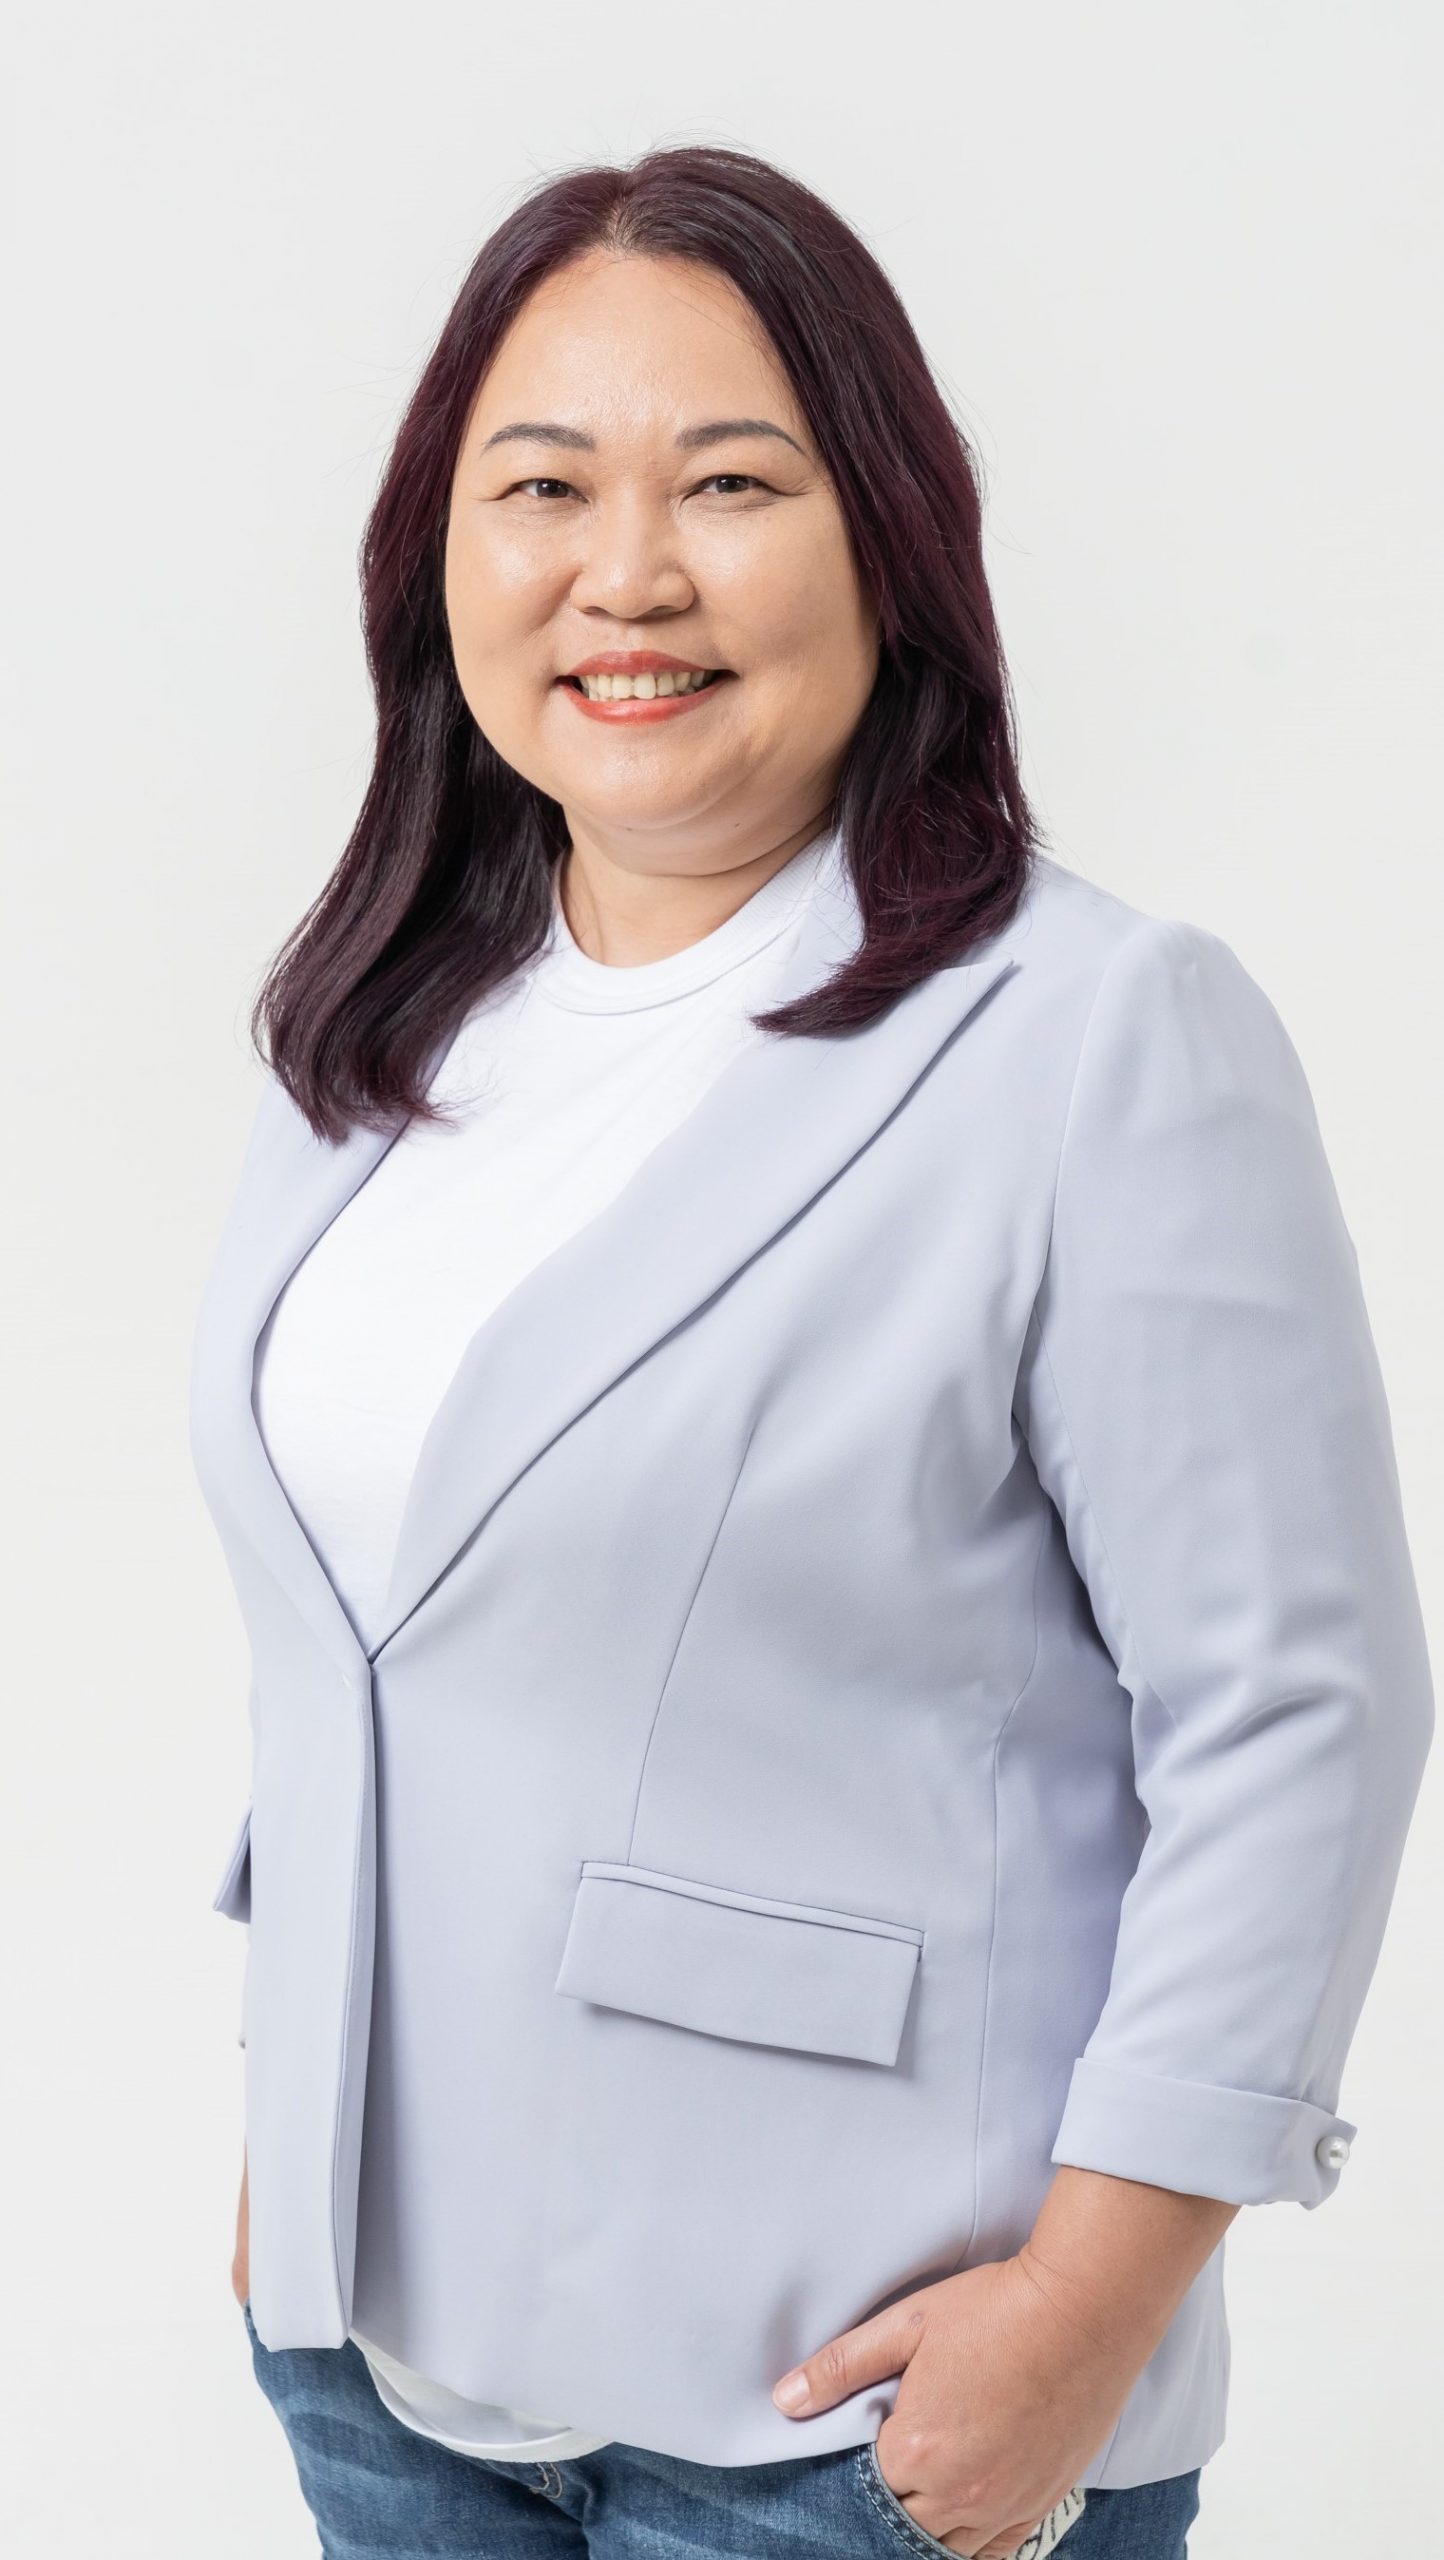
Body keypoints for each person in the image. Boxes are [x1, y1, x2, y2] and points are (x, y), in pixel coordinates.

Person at [189, 144, 1434, 2560]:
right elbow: (376, 1633)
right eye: (539, 486)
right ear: (436, 558)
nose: (624, 572)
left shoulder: (1091, 1036)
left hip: (839, 2408)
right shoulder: (367, 1037)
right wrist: (293, 2127)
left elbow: (1295, 1714)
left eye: (730, 484)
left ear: (887, 541)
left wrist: (1084, 2310)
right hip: (384, 2359)